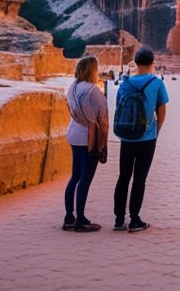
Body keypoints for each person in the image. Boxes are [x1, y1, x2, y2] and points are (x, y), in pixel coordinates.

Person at [112, 46, 169, 233]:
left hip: (127, 136)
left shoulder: (125, 83)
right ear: (153, 63)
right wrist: (156, 130)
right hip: (146, 137)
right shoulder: (156, 83)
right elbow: (161, 110)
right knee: (139, 179)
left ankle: (119, 219)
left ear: (135, 63)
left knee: (123, 177)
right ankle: (135, 219)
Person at [63, 56, 108, 232]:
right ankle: (80, 220)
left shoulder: (72, 87)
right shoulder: (93, 90)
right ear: (92, 70)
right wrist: (103, 143)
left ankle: (69, 217)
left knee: (75, 176)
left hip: (74, 134)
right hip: (88, 138)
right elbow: (102, 118)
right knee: (85, 179)